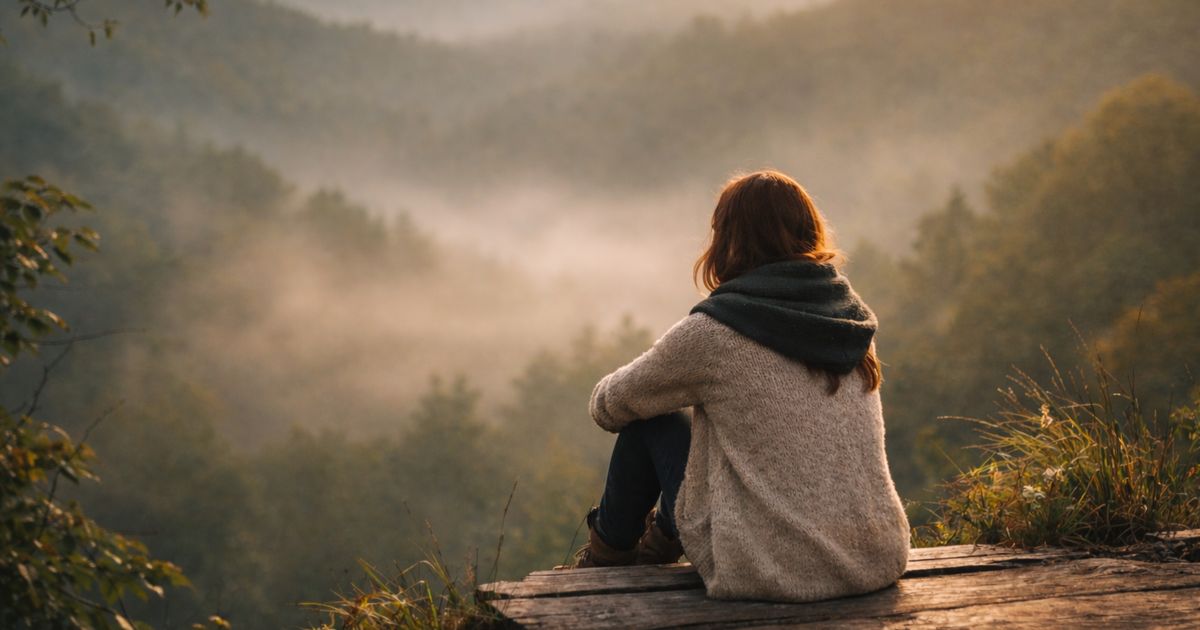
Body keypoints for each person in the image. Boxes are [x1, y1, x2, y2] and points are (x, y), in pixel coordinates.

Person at [562, 170, 910, 603]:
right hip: (876, 558)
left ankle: (605, 562)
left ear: (728, 240)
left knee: (651, 422)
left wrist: (674, 367)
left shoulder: (714, 332)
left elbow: (610, 406)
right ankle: (655, 546)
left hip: (772, 568)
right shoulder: (851, 321)